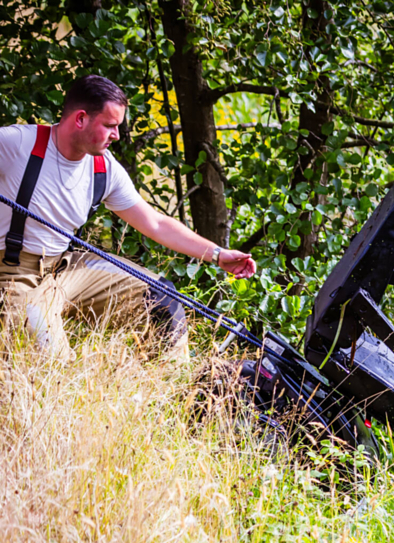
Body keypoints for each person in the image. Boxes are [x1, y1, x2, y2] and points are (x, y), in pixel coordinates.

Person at [0, 75, 256, 362]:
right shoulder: (16, 144)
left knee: (162, 299)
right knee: (53, 363)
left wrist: (218, 255)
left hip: (64, 268)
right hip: (13, 274)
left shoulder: (104, 168)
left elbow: (155, 223)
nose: (117, 135)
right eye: (110, 125)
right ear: (81, 118)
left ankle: (175, 394)